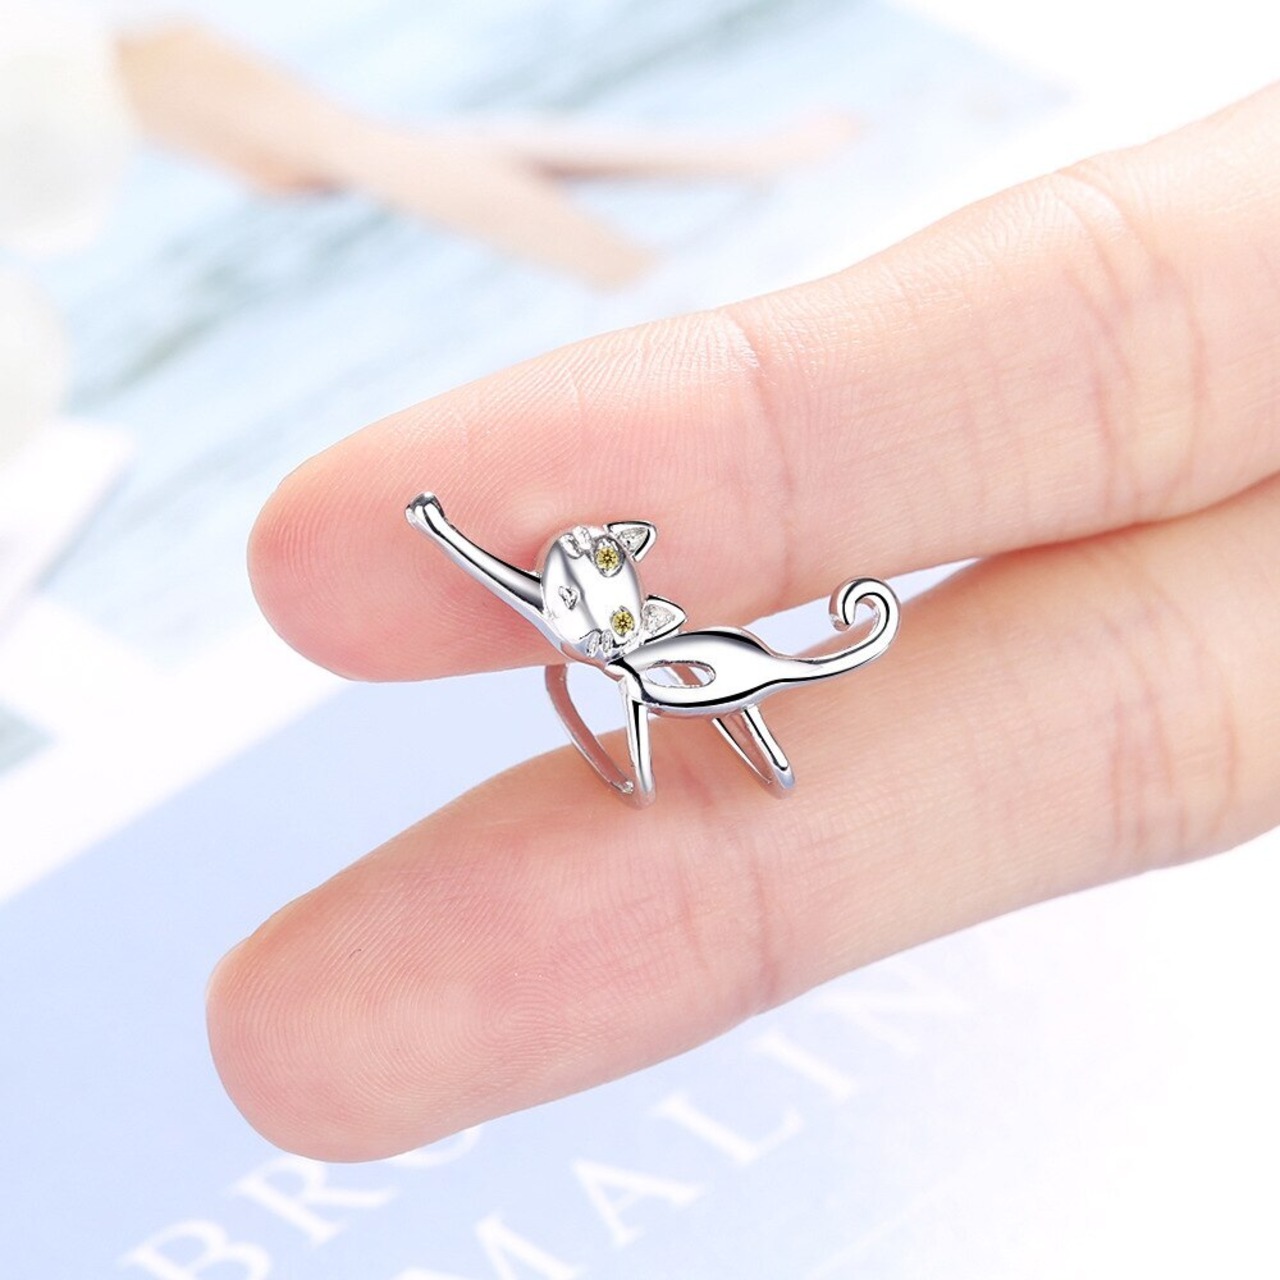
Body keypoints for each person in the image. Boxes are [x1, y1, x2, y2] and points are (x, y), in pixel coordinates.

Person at [206, 83, 1280, 1162]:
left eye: (597, 560)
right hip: (650, 664)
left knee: (714, 694)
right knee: (680, 694)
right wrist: (441, 530)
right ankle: (709, 754)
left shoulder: (606, 595)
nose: (583, 572)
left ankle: (717, 755)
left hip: (672, 663)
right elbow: (497, 573)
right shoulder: (563, 607)